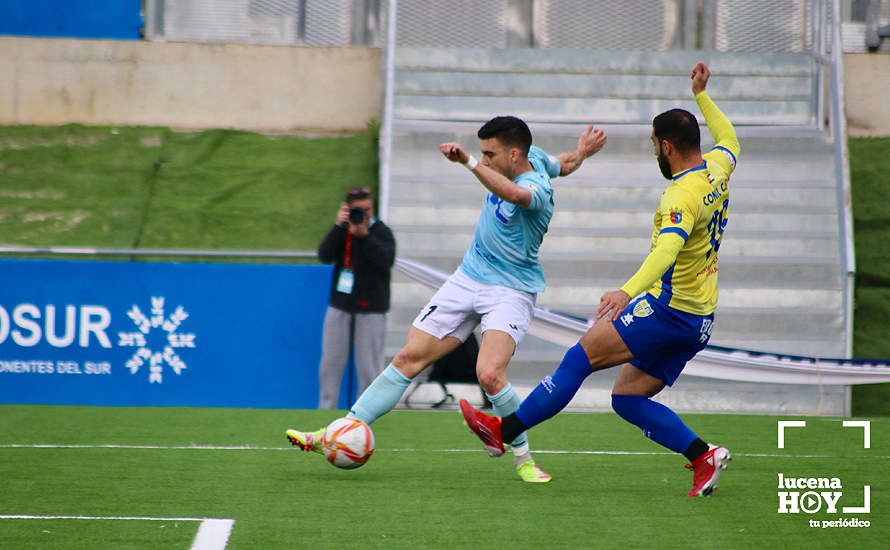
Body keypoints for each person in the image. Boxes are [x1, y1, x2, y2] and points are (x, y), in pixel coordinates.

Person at [460, 62, 740, 497]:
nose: (654, 153)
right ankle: (704, 455)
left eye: (653, 146)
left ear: (667, 146)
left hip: (669, 310)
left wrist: (626, 292)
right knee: (627, 398)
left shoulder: (680, 196)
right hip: (701, 317)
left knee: (579, 359)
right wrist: (703, 96)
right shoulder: (719, 167)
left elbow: (666, 252)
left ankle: (503, 430)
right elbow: (730, 138)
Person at [288, 115, 607, 483]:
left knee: (489, 374)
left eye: (490, 154)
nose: (484, 159)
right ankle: (336, 433)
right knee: (408, 357)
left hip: (511, 289)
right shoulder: (534, 155)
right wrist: (582, 151)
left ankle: (524, 459)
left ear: (514, 154)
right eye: (482, 154)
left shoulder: (535, 187)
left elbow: (515, 194)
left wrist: (469, 163)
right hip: (469, 277)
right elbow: (563, 164)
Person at [315, 187, 396, 409]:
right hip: (340, 306)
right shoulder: (343, 230)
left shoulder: (382, 232)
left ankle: (364, 418)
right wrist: (337, 227)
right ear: (349, 209)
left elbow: (386, 260)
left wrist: (365, 236)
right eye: (359, 211)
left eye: (368, 209)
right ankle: (324, 414)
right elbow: (324, 255)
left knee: (369, 368)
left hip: (371, 309)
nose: (364, 215)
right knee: (330, 366)